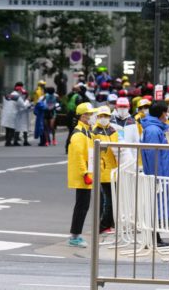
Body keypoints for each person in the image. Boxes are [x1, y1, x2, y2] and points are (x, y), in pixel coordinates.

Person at [140, 101, 169, 247]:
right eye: (166, 112)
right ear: (162, 114)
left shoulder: (155, 128)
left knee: (156, 206)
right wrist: (157, 177)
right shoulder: (154, 130)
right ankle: (153, 239)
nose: (168, 114)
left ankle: (156, 238)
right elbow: (153, 155)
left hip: (160, 174)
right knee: (155, 207)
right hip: (157, 175)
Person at [67, 102, 98, 248]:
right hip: (84, 176)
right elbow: (79, 156)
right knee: (82, 205)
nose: (93, 117)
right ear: (83, 116)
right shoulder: (79, 134)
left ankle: (75, 234)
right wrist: (85, 173)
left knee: (83, 205)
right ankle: (75, 236)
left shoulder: (87, 131)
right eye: (90, 114)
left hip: (87, 173)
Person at [91, 106, 118, 234]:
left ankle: (107, 223)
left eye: (106, 116)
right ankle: (103, 225)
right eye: (101, 116)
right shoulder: (94, 131)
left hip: (113, 169)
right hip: (102, 169)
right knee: (108, 199)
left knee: (111, 198)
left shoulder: (112, 130)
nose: (103, 118)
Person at [110, 97, 140, 167]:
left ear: (129, 107)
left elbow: (136, 142)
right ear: (116, 107)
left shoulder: (133, 122)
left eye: (125, 106)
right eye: (120, 106)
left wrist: (134, 160)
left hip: (129, 159)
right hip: (113, 157)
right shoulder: (110, 120)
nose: (122, 108)